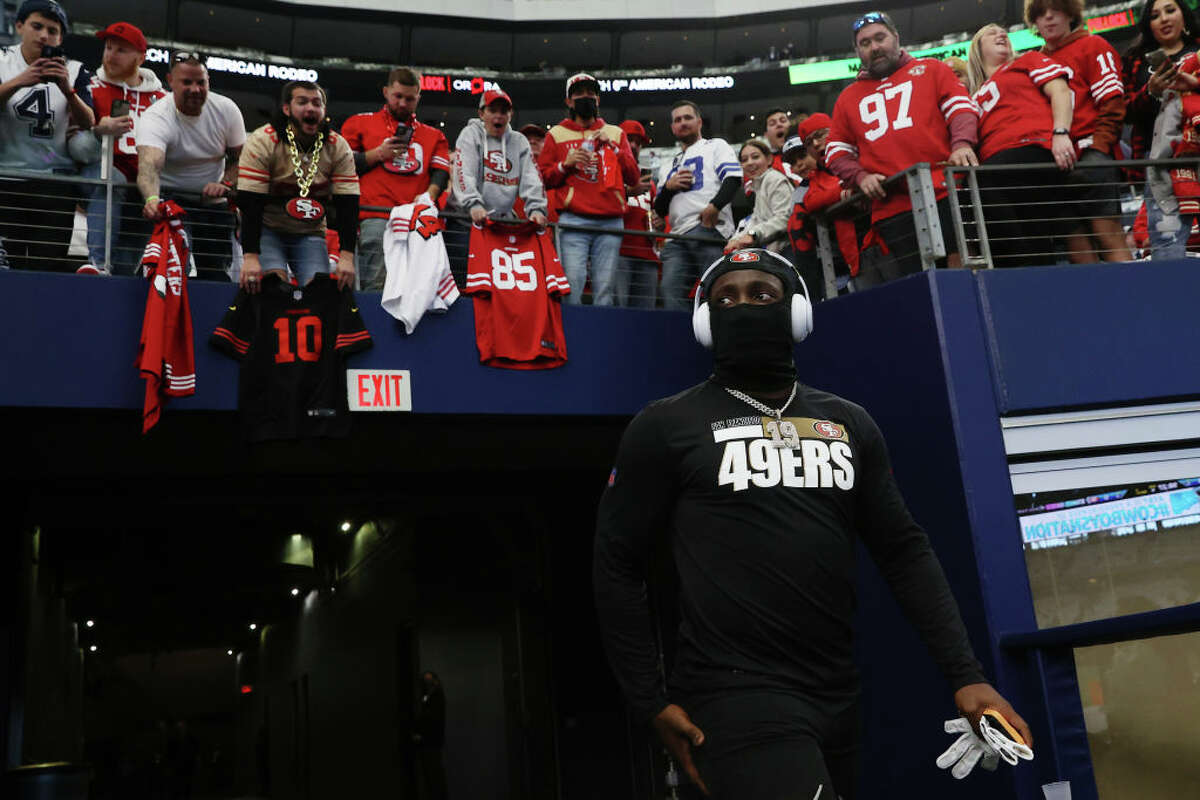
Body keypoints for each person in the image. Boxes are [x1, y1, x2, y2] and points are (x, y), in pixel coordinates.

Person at [593, 248, 1032, 800]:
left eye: (761, 294)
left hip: (837, 692)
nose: (742, 305)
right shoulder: (664, 425)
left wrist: (967, 675)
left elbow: (902, 551)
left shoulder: (849, 422)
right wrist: (649, 699)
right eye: (725, 297)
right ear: (705, 323)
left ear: (797, 313)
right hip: (732, 693)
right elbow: (617, 563)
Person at [826, 11, 979, 275]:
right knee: (921, 281)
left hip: (945, 189)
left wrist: (962, 144)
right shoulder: (847, 98)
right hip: (891, 207)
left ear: (896, 37)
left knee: (962, 268)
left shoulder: (932, 69)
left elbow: (961, 109)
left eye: (880, 38)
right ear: (857, 51)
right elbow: (836, 151)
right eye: (865, 43)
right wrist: (860, 177)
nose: (874, 47)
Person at [1028, 0, 1132, 263]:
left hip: (1089, 155)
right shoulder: (1036, 61)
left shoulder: (1093, 45)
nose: (1049, 18)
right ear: (1034, 22)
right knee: (1078, 253)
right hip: (1055, 165)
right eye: (1041, 14)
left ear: (1071, 14)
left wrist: (1098, 148)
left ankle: (1134, 301)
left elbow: (1112, 101)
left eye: (1056, 11)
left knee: (1109, 239)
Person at [967, 23, 1075, 266]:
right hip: (998, 164)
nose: (1001, 34)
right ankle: (1034, 273)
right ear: (976, 48)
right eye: (991, 32)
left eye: (1002, 31)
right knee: (1031, 230)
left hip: (1032, 149)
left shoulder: (1028, 60)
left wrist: (1061, 132)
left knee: (984, 181)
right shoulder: (971, 97)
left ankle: (1024, 267)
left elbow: (1059, 90)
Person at [236, 81, 358, 294]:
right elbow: (250, 203)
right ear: (286, 108)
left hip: (309, 231)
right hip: (267, 229)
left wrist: (347, 256)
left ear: (324, 110)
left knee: (318, 292)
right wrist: (250, 257)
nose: (310, 108)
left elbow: (348, 204)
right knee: (274, 287)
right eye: (302, 102)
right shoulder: (262, 141)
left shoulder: (338, 146)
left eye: (316, 103)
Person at [0, 0, 95, 272]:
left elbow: (89, 121)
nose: (44, 35)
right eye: (37, 26)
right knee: (7, 267)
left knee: (47, 267)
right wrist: (21, 80)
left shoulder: (75, 70)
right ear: (19, 26)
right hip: (7, 178)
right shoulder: (3, 60)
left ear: (61, 37)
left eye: (52, 30)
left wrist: (67, 90)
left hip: (54, 182)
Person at [136, 52, 245, 280]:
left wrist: (224, 183)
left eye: (200, 82)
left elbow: (241, 159)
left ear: (208, 82)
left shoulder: (227, 109)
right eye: (187, 82)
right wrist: (151, 199)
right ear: (171, 81)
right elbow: (149, 166)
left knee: (217, 271)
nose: (195, 89)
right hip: (171, 200)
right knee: (176, 268)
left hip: (213, 202)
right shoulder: (156, 116)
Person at [341, 67, 450, 290]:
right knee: (376, 288)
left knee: (418, 290)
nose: (402, 103)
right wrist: (378, 154)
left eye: (409, 98)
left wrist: (429, 195)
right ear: (385, 92)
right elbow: (342, 168)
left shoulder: (434, 136)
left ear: (418, 97)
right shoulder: (359, 124)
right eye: (398, 96)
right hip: (375, 217)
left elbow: (441, 172)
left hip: (417, 222)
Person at [537, 73, 640, 306]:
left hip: (610, 221)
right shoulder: (556, 134)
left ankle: (601, 341)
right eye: (579, 94)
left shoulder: (615, 133)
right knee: (572, 287)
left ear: (598, 100)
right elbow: (543, 179)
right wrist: (565, 165)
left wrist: (612, 147)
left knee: (605, 289)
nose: (586, 98)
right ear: (569, 102)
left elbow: (633, 177)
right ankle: (573, 339)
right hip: (574, 221)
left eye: (591, 94)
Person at [76, 21, 165, 275]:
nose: (110, 55)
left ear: (141, 57)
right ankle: (97, 264)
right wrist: (97, 129)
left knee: (126, 266)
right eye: (108, 47)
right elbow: (72, 141)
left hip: (144, 185)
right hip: (102, 173)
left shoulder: (162, 99)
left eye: (120, 50)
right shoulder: (89, 88)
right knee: (109, 179)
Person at [1123, 0, 1200, 259]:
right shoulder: (1135, 62)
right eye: (1155, 15)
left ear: (1184, 15)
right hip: (1160, 166)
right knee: (1168, 246)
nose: (1164, 19)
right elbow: (1125, 112)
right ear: (1148, 25)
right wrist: (1151, 92)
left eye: (1170, 10)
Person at [653, 100, 743, 310]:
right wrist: (669, 187)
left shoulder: (716, 146)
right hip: (677, 236)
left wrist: (714, 207)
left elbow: (733, 178)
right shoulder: (668, 165)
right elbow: (659, 209)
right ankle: (682, 339)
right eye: (677, 120)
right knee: (669, 290)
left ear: (699, 122)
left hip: (708, 229)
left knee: (717, 289)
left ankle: (719, 339)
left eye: (687, 118)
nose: (682, 123)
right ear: (672, 127)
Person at [452, 88, 547, 225]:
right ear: (481, 113)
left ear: (510, 114)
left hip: (500, 223)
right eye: (492, 110)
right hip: (465, 221)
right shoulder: (471, 134)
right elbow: (464, 172)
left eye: (503, 111)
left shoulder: (519, 142)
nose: (498, 116)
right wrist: (473, 204)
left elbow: (532, 178)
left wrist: (536, 209)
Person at [615, 119, 659, 307]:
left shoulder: (650, 183)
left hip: (647, 256)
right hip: (618, 254)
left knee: (645, 315)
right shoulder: (608, 174)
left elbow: (658, 217)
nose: (633, 145)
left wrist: (660, 223)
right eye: (629, 139)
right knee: (617, 312)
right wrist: (627, 192)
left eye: (638, 142)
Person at [726, 139, 792, 253]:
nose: (750, 163)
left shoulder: (774, 179)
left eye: (755, 157)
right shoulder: (758, 186)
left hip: (789, 250)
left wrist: (753, 234)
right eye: (744, 160)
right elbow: (755, 221)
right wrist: (735, 240)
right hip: (776, 253)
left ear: (769, 159)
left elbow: (785, 218)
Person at [413, 671, 447, 800]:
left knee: (432, 777)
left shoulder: (434, 698)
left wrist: (421, 736)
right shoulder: (433, 697)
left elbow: (429, 719)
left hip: (430, 743)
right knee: (434, 777)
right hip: (431, 742)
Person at [761, 106, 799, 183]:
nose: (779, 124)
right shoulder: (765, 166)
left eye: (783, 120)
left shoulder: (810, 152)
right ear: (766, 135)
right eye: (772, 123)